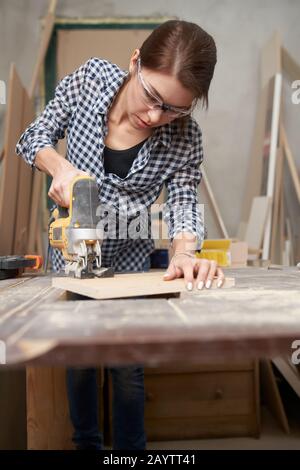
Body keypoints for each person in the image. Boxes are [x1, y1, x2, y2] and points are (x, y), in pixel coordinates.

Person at [16, 20, 224, 450]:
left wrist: (185, 251)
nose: (154, 117)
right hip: (74, 260)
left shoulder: (186, 137)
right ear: (135, 63)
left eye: (173, 109)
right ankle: (87, 444)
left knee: (127, 368)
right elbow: (32, 136)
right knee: (80, 360)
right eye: (151, 97)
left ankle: (131, 453)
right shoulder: (90, 80)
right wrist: (59, 168)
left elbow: (184, 200)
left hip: (130, 264)